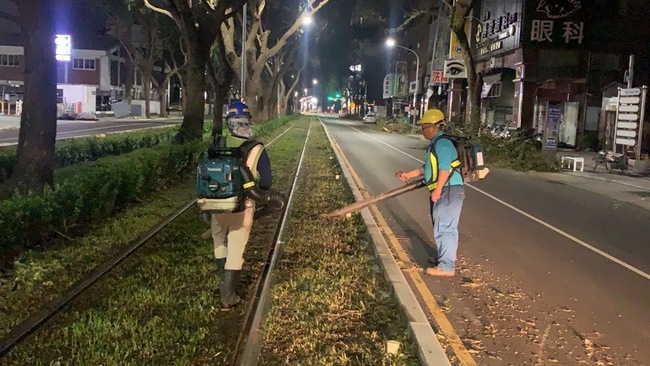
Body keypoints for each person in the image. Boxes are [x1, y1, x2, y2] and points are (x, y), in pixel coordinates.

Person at [211, 101, 274, 307]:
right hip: (243, 204)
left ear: (229, 124)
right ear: (248, 123)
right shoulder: (257, 148)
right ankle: (228, 295)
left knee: (220, 242)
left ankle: (222, 280)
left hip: (216, 203)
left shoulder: (218, 143)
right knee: (236, 248)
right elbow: (265, 183)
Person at [395, 109, 465, 277]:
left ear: (433, 127)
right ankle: (446, 258)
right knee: (443, 224)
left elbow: (444, 169)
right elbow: (427, 168)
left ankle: (446, 266)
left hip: (448, 190)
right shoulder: (436, 144)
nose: (422, 130)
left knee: (445, 226)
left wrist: (438, 190)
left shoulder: (442, 144)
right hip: (447, 189)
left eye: (424, 126)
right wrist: (408, 175)